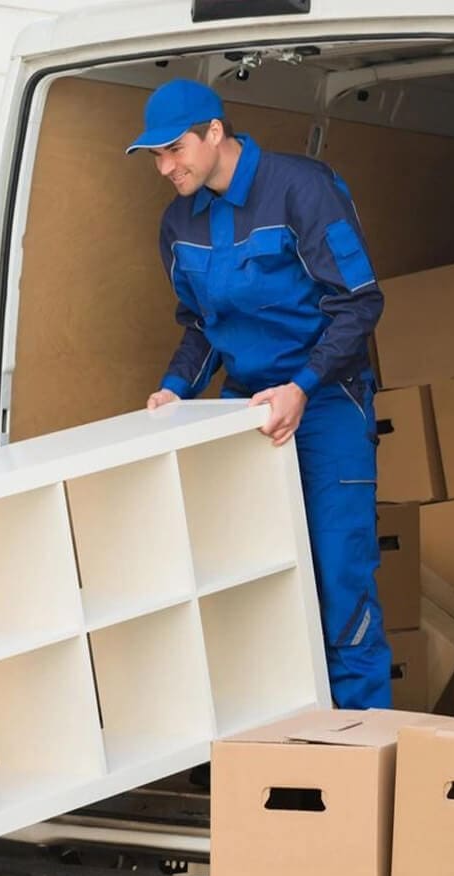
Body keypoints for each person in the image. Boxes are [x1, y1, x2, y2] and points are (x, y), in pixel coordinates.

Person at [127, 79, 391, 710]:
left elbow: (359, 303)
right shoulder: (176, 223)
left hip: (326, 405)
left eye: (174, 150)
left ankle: (359, 755)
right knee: (260, 589)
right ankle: (280, 754)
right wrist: (174, 390)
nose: (165, 168)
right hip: (245, 413)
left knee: (340, 581)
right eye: (156, 156)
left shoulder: (301, 190)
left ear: (215, 133)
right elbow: (201, 327)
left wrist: (302, 387)